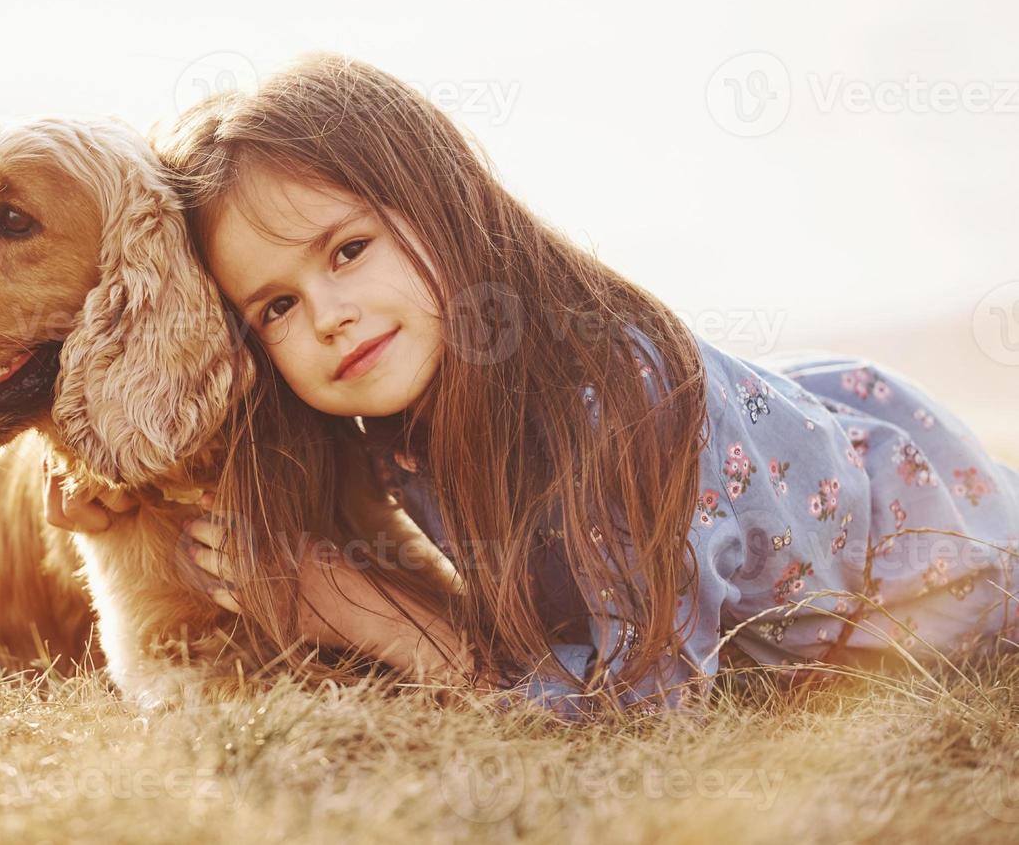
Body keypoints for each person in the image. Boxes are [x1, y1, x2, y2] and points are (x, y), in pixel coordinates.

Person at [52, 53, 1019, 722]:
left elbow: (634, 715)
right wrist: (129, 479)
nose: (327, 315)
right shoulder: (402, 407)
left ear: (443, 201)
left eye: (348, 250)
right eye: (275, 308)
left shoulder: (616, 410)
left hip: (944, 551)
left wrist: (376, 618)